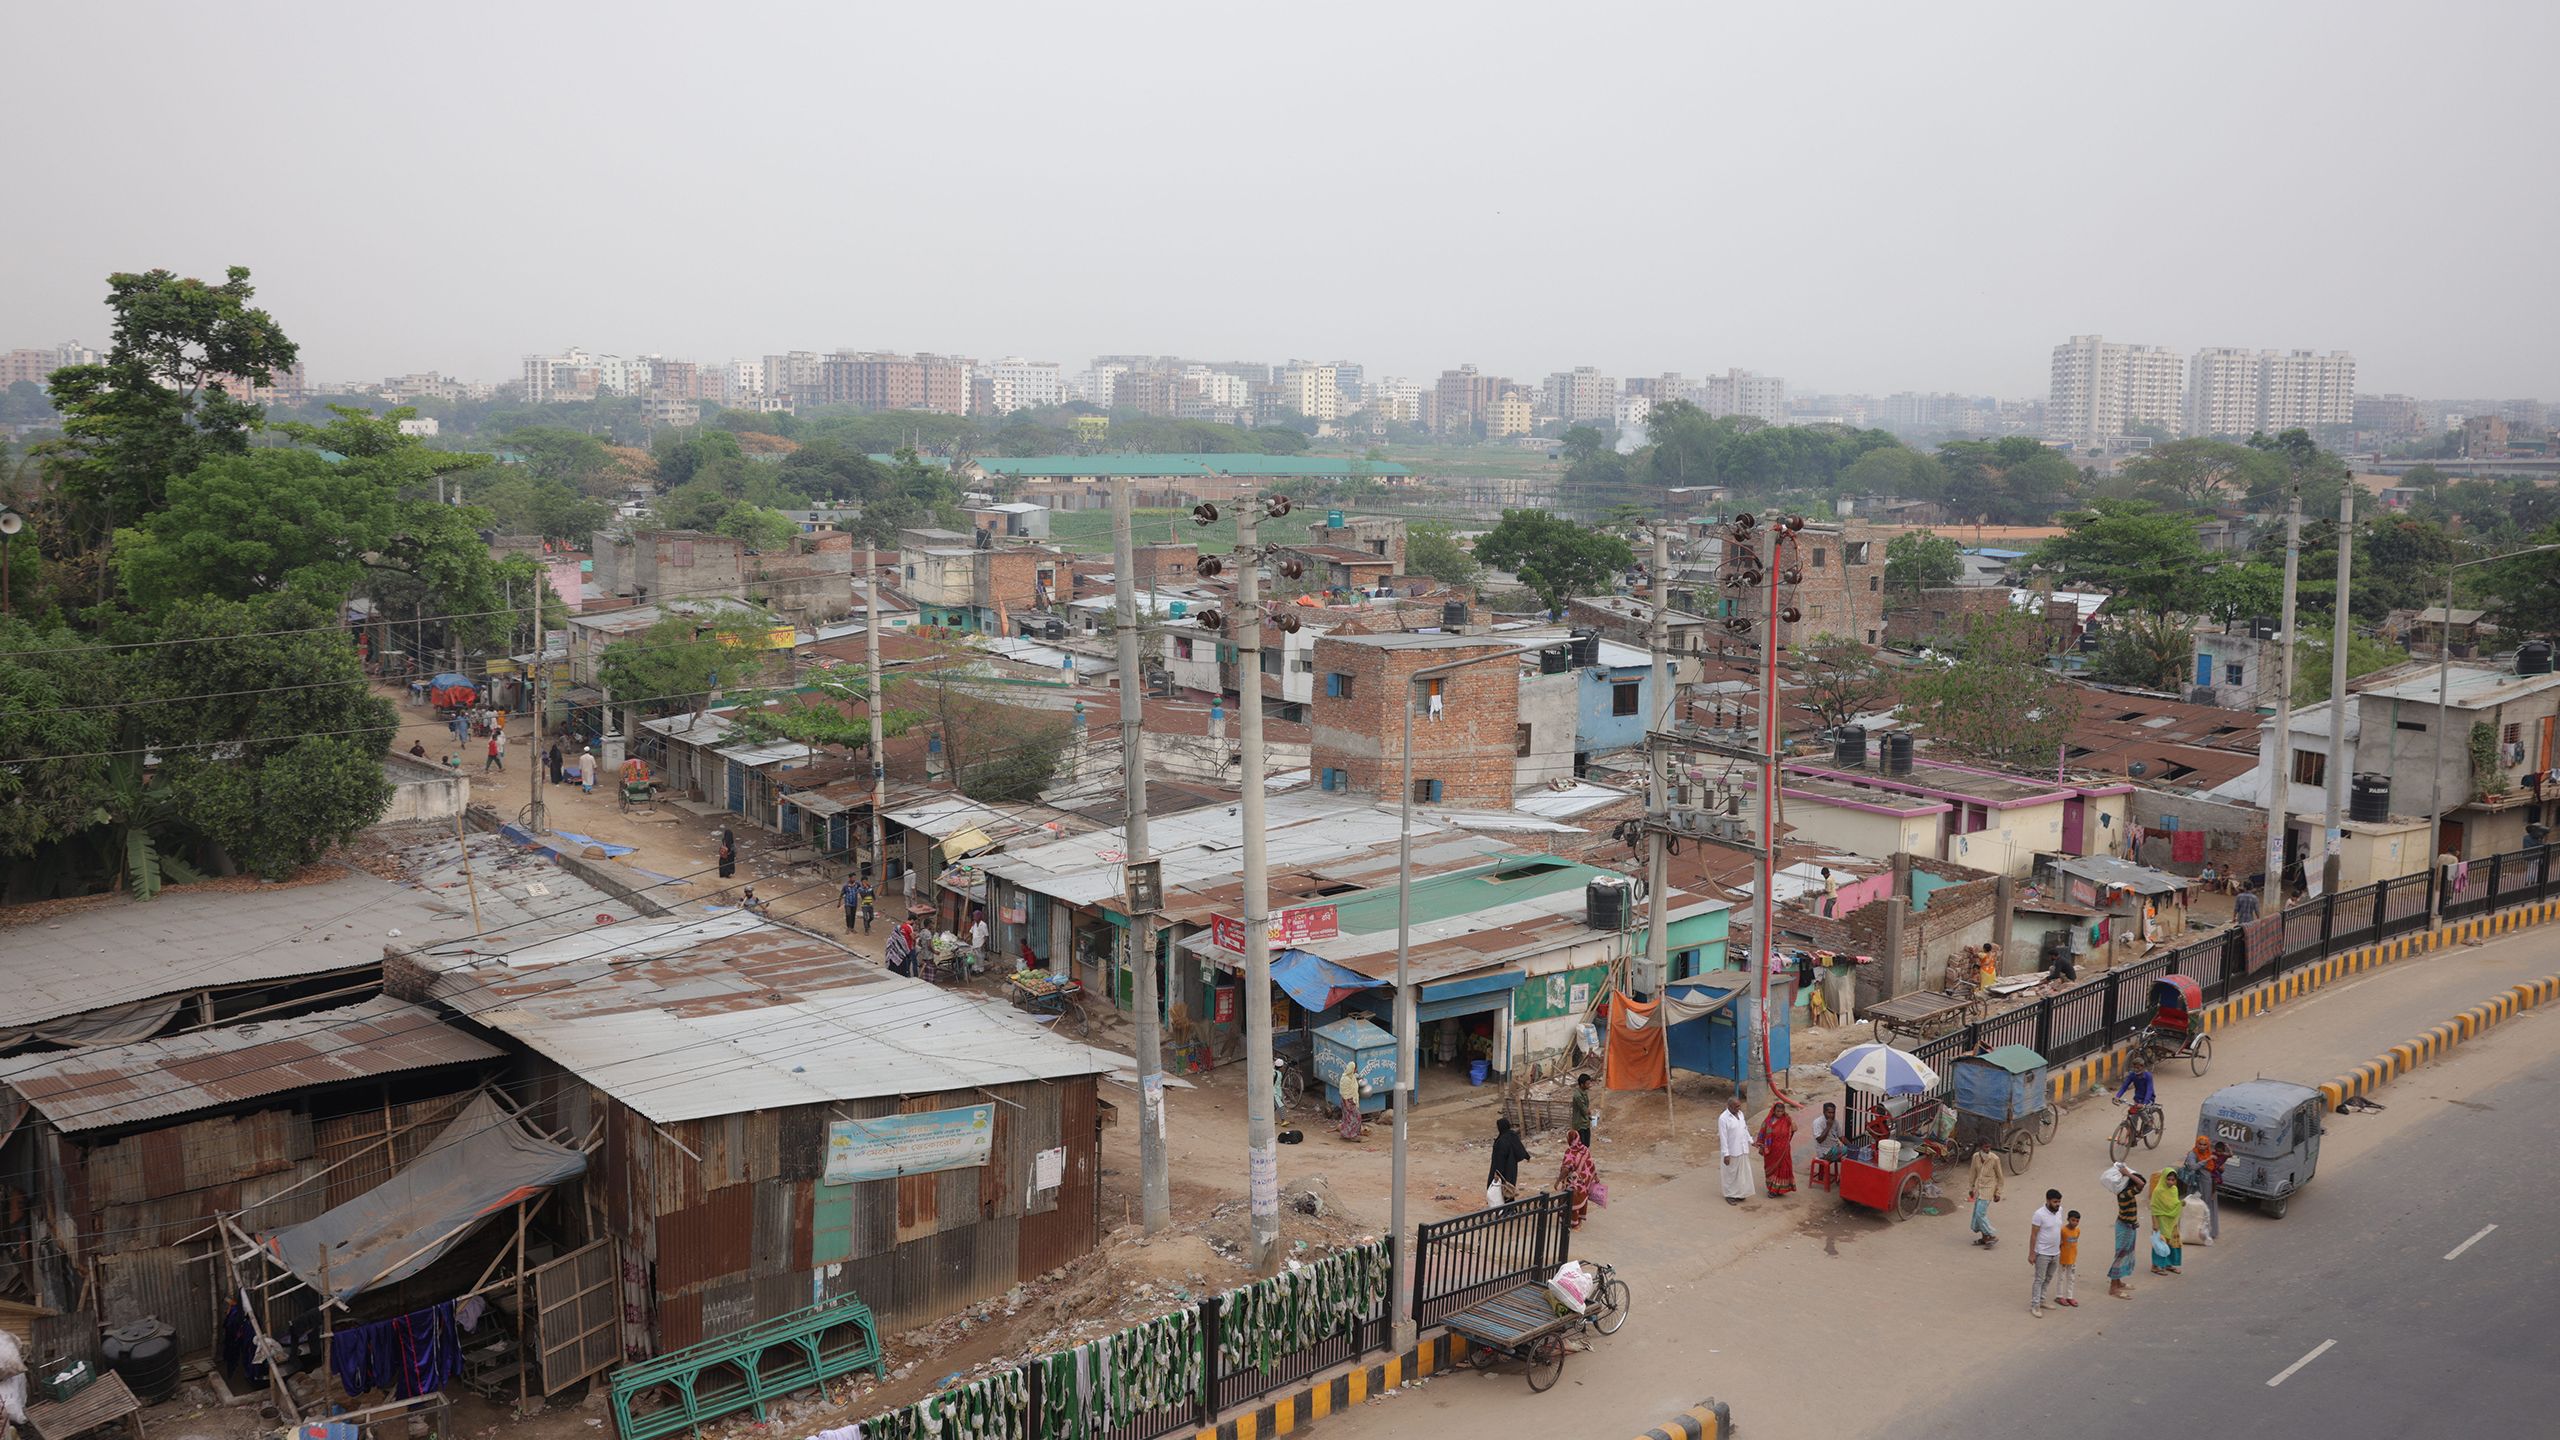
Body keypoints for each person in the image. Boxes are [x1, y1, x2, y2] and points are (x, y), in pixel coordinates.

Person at [2107, 1162, 2146, 1298]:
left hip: (2129, 1225)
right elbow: (2141, 1184)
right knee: (2120, 1256)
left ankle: (2118, 1282)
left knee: (2124, 1254)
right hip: (2125, 1227)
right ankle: (2113, 1287)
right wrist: (2127, 1173)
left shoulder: (2126, 1193)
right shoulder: (2125, 1194)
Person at [2027, 1188, 2064, 1316]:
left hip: (2056, 1252)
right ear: (2048, 1201)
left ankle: (2042, 1300)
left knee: (2048, 1278)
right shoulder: (2039, 1214)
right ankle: (2035, 1305)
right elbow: (2033, 1235)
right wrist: (2032, 1253)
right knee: (2039, 1279)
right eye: (2055, 1202)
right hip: (2042, 1253)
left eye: (2059, 1201)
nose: (2057, 1204)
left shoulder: (2060, 1211)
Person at [1557, 1131, 1600, 1228]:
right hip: (1583, 1182)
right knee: (1581, 1200)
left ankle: (1571, 1222)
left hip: (1572, 1183)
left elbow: (1566, 1169)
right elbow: (1591, 1164)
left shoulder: (1569, 1151)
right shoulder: (1585, 1150)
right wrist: (1595, 1176)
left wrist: (1558, 1181)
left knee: (1570, 1200)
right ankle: (1578, 1221)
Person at [1717, 1095, 1754, 1205]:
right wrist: (1726, 1154)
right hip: (1731, 1151)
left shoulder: (1740, 1114)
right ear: (1729, 1106)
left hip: (1742, 1149)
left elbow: (1744, 1129)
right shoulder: (1723, 1118)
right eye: (1736, 1106)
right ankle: (1729, 1195)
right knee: (1730, 1174)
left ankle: (1739, 1193)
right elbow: (1723, 1138)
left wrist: (1751, 1141)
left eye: (1739, 1106)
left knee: (1741, 1174)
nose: (1739, 1108)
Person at [1755, 1100, 1797, 1197]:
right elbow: (1762, 1133)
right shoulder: (1768, 1121)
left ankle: (1778, 1189)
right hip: (1771, 1151)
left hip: (1783, 1150)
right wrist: (1761, 1146)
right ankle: (1772, 1189)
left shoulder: (1787, 1120)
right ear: (1774, 1111)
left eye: (1781, 1111)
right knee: (1771, 1169)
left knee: (1783, 1168)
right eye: (1777, 1111)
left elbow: (1794, 1129)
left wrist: (1786, 1142)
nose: (1779, 1113)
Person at [1967, 1143, 2005, 1248]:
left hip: (1989, 1189)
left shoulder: (1995, 1159)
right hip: (1979, 1189)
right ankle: (1984, 1238)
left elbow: (2000, 1177)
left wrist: (1998, 1193)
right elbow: (1972, 1173)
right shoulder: (1975, 1157)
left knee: (1980, 1213)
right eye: (1985, 1147)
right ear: (1981, 1147)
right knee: (1977, 1213)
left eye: (1989, 1147)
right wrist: (1971, 1188)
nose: (1987, 1149)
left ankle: (1991, 1235)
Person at [1488, 1117, 1530, 1206]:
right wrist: (1527, 1156)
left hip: (1503, 1168)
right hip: (1512, 1167)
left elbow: (1500, 1158)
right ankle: (1510, 1207)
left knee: (1502, 1187)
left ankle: (1505, 1209)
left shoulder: (1502, 1141)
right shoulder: (1512, 1135)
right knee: (1509, 1186)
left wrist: (1497, 1172)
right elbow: (1519, 1147)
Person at [2150, 1168, 2185, 1275]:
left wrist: (2181, 1204)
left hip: (2172, 1220)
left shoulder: (2174, 1190)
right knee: (2161, 1243)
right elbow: (2154, 1208)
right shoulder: (2158, 1191)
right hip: (2161, 1220)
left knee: (2172, 1242)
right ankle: (2156, 1266)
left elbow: (2174, 1204)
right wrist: (2155, 1223)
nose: (2170, 1182)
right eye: (2168, 1179)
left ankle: (2168, 1264)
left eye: (2172, 1180)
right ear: (2163, 1179)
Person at [2204, 1141, 2229, 1240]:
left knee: (2210, 1206)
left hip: (2210, 1182)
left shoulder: (2219, 1157)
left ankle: (2210, 1231)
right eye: (2200, 1144)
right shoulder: (2207, 1155)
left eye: (2204, 1144)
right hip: (2202, 1184)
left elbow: (2228, 1157)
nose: (2202, 1147)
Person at [2057, 1209, 2083, 1308]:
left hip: (2072, 1258)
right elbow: (2059, 1243)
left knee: (2071, 1278)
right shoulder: (2063, 1230)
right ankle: (2059, 1296)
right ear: (2068, 1219)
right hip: (2063, 1258)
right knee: (2061, 1277)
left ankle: (2069, 1296)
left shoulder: (2078, 1230)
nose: (2075, 1223)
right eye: (2073, 1220)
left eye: (2077, 1221)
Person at [1337, 1060, 1364, 1142]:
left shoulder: (1351, 1076)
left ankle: (1345, 1134)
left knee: (1347, 1118)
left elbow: (1357, 1076)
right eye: (1355, 1069)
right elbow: (1344, 1093)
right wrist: (1347, 1104)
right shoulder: (1345, 1079)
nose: (1356, 1070)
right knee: (1356, 1117)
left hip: (1350, 1100)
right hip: (1348, 1101)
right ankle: (1352, 1135)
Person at [1570, 1074, 1595, 1148]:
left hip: (1585, 1123)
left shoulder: (1584, 1092)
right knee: (1581, 1146)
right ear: (1582, 1084)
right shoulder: (1577, 1095)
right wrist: (1589, 1112)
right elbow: (1584, 1109)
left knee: (1586, 1145)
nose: (1589, 1085)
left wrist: (1590, 1117)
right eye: (1587, 1084)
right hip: (1579, 1124)